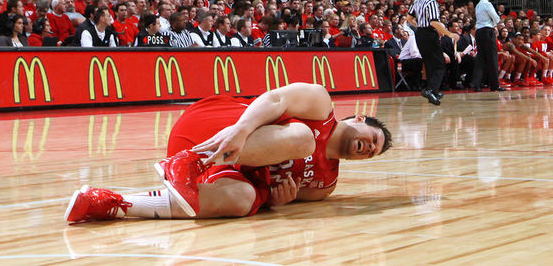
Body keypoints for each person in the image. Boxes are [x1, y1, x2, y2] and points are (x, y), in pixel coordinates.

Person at [64, 82, 392, 223]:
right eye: (372, 138)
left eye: (373, 152)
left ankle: (110, 203)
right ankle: (187, 162)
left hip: (228, 170)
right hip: (218, 127)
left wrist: (279, 201)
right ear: (359, 119)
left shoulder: (326, 186)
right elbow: (275, 100)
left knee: (244, 201)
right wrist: (241, 129)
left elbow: (273, 198)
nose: (368, 148)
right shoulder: (320, 103)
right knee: (304, 138)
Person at [407, 0, 450, 105]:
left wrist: (419, 24)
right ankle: (430, 90)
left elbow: (409, 18)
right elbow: (434, 22)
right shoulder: (432, 2)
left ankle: (434, 91)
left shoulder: (418, 1)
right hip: (429, 33)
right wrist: (448, 33)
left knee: (429, 63)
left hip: (419, 33)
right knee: (439, 64)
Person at [472, 0, 501, 91]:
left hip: (479, 32)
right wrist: (495, 25)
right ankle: (495, 85)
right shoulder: (487, 4)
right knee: (492, 58)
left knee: (480, 59)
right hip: (487, 31)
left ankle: (476, 84)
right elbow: (496, 18)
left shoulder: (478, 5)